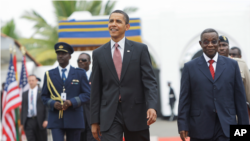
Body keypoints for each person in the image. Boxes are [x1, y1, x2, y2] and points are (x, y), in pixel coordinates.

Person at [90, 10, 158, 141]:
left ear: (127, 26)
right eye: (111, 21)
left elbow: (150, 82)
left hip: (136, 113)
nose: (113, 24)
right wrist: (94, 120)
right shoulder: (98, 53)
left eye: (118, 21)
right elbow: (95, 90)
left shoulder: (140, 50)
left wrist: (152, 106)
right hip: (109, 114)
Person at [178, 28, 249, 141]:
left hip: (226, 126)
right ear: (201, 44)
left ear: (218, 43)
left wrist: (243, 130)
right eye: (206, 42)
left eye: (214, 41)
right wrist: (182, 124)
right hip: (200, 127)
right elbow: (184, 99)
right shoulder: (190, 67)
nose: (210, 45)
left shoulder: (232, 65)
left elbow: (240, 99)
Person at [41, 42, 90, 141]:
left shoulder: (80, 73)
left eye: (63, 53)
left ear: (70, 56)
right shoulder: (49, 74)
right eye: (58, 53)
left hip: (74, 117)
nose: (60, 56)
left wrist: (72, 102)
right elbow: (44, 96)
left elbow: (87, 94)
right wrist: (53, 103)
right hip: (56, 118)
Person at [218, 36, 250, 122]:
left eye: (224, 45)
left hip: (236, 115)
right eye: (219, 45)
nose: (221, 48)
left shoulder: (240, 63)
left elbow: (248, 89)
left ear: (228, 47)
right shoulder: (210, 65)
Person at [20, 75, 48, 141]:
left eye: (32, 80)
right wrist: (22, 123)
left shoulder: (42, 92)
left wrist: (46, 119)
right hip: (28, 121)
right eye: (29, 80)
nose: (31, 82)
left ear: (36, 81)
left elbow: (46, 107)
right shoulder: (25, 93)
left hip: (40, 120)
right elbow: (23, 108)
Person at [78, 53, 95, 141]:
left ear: (89, 62)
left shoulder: (96, 77)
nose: (80, 62)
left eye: (83, 60)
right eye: (79, 60)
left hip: (93, 119)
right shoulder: (74, 77)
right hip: (78, 119)